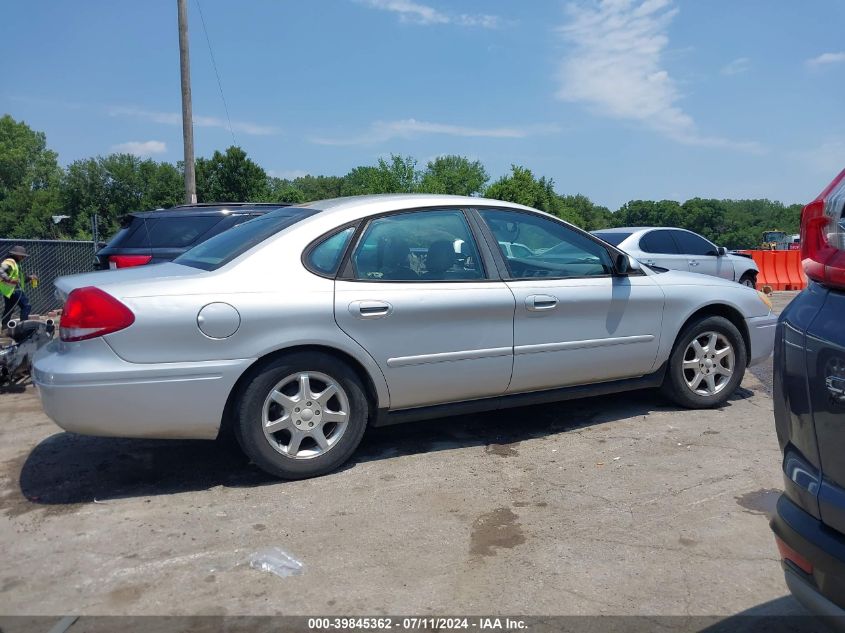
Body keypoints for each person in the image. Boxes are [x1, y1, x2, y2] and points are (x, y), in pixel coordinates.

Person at [0, 246, 37, 329]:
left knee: (9, 308)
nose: (23, 257)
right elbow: (1, 271)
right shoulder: (10, 262)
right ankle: (23, 327)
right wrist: (11, 280)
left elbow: (19, 279)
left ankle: (4, 328)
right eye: (22, 256)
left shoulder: (15, 264)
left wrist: (30, 278)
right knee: (26, 306)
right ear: (16, 255)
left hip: (9, 290)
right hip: (14, 289)